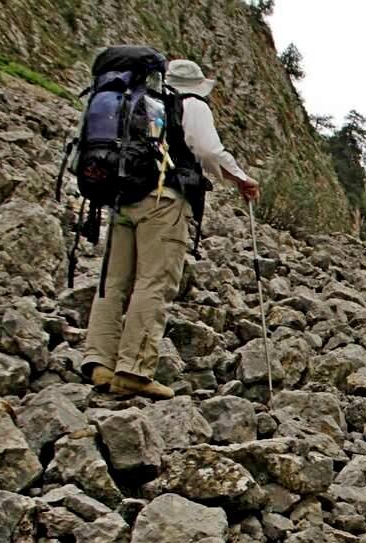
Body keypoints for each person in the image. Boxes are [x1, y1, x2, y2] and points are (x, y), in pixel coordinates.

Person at [81, 58, 260, 400]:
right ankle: (134, 370)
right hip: (163, 199)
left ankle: (99, 363)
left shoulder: (134, 99)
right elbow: (207, 149)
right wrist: (240, 178)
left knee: (114, 280)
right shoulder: (189, 104)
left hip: (121, 197)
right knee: (155, 281)